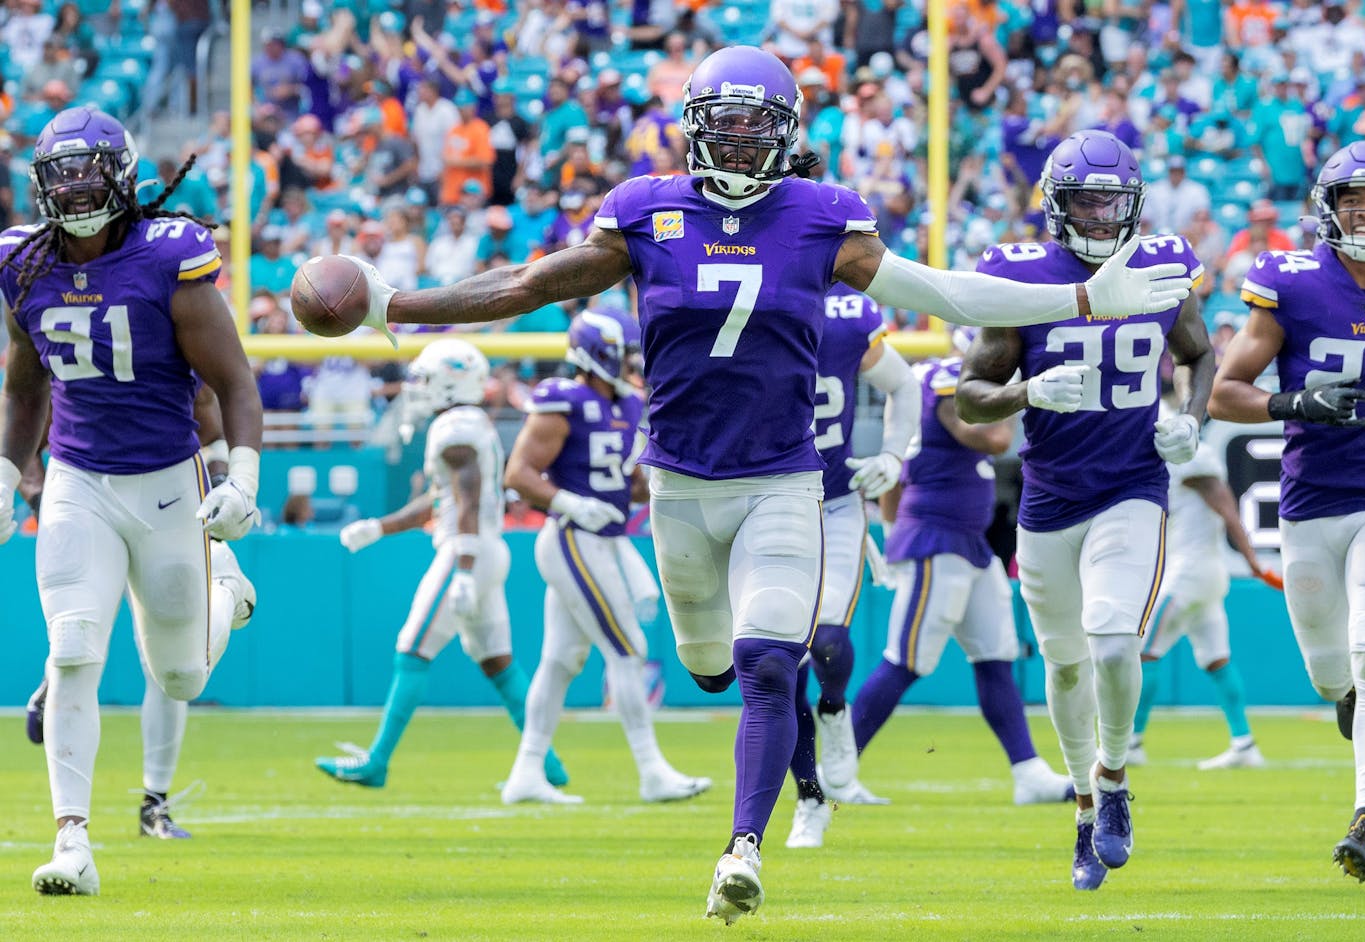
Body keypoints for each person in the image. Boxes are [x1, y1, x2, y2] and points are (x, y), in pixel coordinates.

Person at [309, 46, 1193, 923]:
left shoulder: (821, 216)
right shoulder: (645, 210)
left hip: (784, 480)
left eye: (754, 128)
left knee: (771, 664)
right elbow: (530, 283)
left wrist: (1081, 302)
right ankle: (755, 769)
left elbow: (946, 295)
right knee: (708, 666)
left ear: (786, 134)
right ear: (693, 128)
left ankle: (742, 853)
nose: (736, 145)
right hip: (681, 485)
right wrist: (397, 306)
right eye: (721, 127)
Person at [0, 107, 263, 895]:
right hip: (78, 478)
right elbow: (25, 384)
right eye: (61, 174)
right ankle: (73, 844)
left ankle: (229, 590)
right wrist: (9, 474)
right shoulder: (23, 263)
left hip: (165, 484)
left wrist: (240, 479)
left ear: (121, 175)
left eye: (88, 171)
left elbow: (235, 382)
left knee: (178, 677)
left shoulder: (167, 258)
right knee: (73, 650)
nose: (75, 189)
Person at [956, 130, 1214, 892]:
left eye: (1112, 202)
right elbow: (971, 395)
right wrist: (1027, 392)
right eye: (1086, 202)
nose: (1101, 217)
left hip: (1132, 485)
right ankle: (1081, 806)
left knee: (1110, 643)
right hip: (1048, 496)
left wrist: (1190, 415)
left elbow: (1198, 353)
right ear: (1055, 205)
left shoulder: (1164, 265)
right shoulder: (1022, 277)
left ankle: (1114, 778)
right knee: (1066, 668)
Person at [1214, 141, 1365, 883]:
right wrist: (1293, 401)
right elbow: (1221, 392)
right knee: (1333, 674)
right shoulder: (1293, 283)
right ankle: (1350, 703)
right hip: (1308, 506)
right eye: (1354, 199)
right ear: (1328, 211)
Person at [317, 340, 568, 792]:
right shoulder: (468, 424)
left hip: (465, 551)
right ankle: (548, 766)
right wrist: (380, 527)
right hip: (485, 548)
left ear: (450, 381)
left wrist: (466, 568)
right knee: (498, 664)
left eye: (426, 380)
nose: (418, 389)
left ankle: (377, 762)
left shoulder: (456, 428)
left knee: (412, 649)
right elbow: (442, 499)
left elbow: (467, 497)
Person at [21, 386, 254, 841]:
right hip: (86, 505)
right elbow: (24, 420)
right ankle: (73, 833)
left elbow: (212, 410)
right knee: (78, 642)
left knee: (170, 672)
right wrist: (41, 498)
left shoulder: (171, 338)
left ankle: (155, 804)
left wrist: (225, 484)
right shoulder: (66, 341)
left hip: (166, 508)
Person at [501, 308, 711, 805]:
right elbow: (518, 474)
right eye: (621, 353)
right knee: (628, 646)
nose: (629, 362)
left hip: (604, 539)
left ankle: (527, 771)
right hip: (572, 536)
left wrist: (650, 484)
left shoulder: (628, 404)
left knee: (559, 661)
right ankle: (651, 770)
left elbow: (631, 482)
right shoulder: (561, 400)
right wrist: (572, 502)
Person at [849, 347, 1074, 812]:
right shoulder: (945, 377)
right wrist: (1021, 395)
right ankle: (837, 767)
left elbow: (899, 472)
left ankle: (1027, 771)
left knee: (996, 657)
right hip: (937, 539)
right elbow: (990, 437)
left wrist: (892, 531)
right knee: (905, 660)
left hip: (967, 542)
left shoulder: (927, 377)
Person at [784, 282, 922, 850]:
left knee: (830, 641)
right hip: (762, 501)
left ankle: (836, 708)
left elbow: (904, 385)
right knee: (776, 664)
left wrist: (893, 453)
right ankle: (810, 798)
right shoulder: (731, 317)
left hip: (836, 501)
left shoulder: (842, 317)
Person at [1127, 414, 1281, 771]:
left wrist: (1253, 562)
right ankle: (1244, 744)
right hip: (1205, 574)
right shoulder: (1178, 461)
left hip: (1188, 573)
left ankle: (1131, 741)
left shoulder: (1194, 456)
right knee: (1216, 659)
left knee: (1141, 651)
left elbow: (1228, 509)